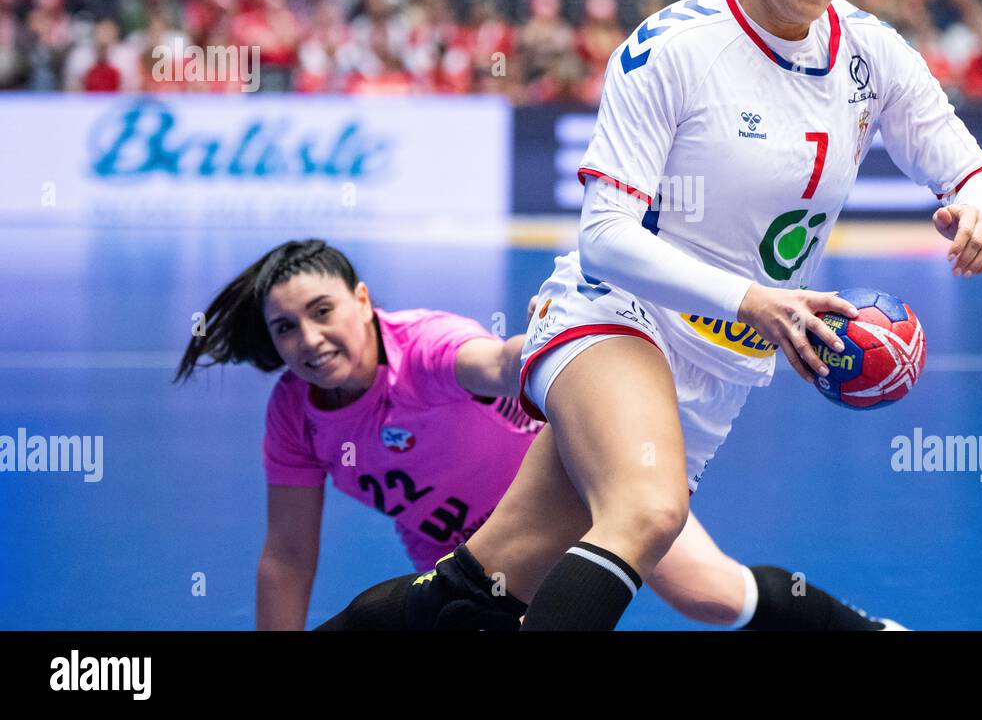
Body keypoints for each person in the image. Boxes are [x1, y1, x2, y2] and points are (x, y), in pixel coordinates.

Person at [324, 0, 982, 631]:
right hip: (616, 316)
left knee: (488, 584)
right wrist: (753, 300)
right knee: (645, 515)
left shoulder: (872, 56)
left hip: (719, 369)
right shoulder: (673, 50)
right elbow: (607, 239)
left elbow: (971, 171)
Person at [175, 239, 903, 630]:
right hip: (466, 559)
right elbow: (288, 554)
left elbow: (498, 360)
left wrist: (557, 331)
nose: (309, 339)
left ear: (363, 302)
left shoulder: (424, 348)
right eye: (286, 329)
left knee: (712, 596)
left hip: (582, 488)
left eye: (323, 311)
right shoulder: (293, 413)